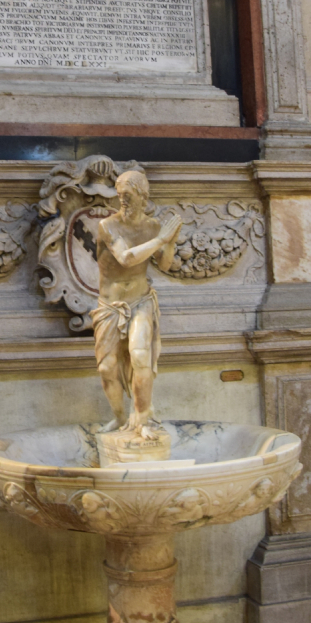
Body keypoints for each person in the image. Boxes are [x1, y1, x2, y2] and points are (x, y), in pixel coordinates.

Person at [91, 169, 181, 439]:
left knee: (141, 356)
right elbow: (126, 258)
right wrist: (161, 239)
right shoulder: (108, 226)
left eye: (128, 195)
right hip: (110, 305)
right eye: (120, 195)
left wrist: (171, 243)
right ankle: (120, 417)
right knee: (106, 368)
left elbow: (165, 265)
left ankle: (142, 420)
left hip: (141, 301)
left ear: (143, 196)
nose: (123, 201)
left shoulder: (153, 227)